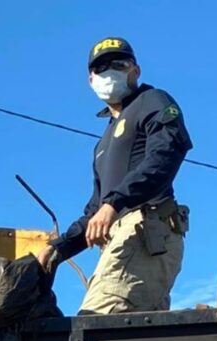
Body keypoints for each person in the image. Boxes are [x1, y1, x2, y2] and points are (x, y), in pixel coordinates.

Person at [38, 37, 192, 314]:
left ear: (136, 69)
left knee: (94, 324)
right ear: (90, 80)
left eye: (119, 63)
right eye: (101, 68)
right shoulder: (103, 143)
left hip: (145, 230)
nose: (110, 71)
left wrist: (115, 203)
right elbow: (94, 211)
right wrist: (57, 250)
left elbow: (167, 152)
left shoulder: (152, 100)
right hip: (118, 240)